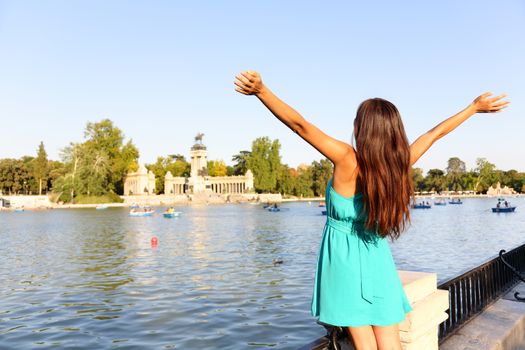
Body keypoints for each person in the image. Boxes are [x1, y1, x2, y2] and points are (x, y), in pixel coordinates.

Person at [234, 70, 508, 350]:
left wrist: (262, 91)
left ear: (361, 128)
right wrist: (473, 108)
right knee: (389, 342)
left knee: (364, 344)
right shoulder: (398, 165)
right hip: (377, 257)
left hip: (343, 259)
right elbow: (434, 134)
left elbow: (300, 126)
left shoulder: (345, 158)